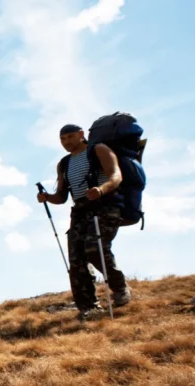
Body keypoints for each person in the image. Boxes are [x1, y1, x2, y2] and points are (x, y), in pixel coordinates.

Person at [38, 123, 132, 320]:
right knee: (76, 259)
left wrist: (101, 189)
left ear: (81, 135)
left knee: (94, 247)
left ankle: (119, 287)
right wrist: (47, 197)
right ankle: (88, 307)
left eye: (70, 136)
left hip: (105, 206)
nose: (66, 142)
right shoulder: (64, 163)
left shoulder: (98, 150)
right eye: (62, 139)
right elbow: (62, 197)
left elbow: (116, 176)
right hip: (80, 211)